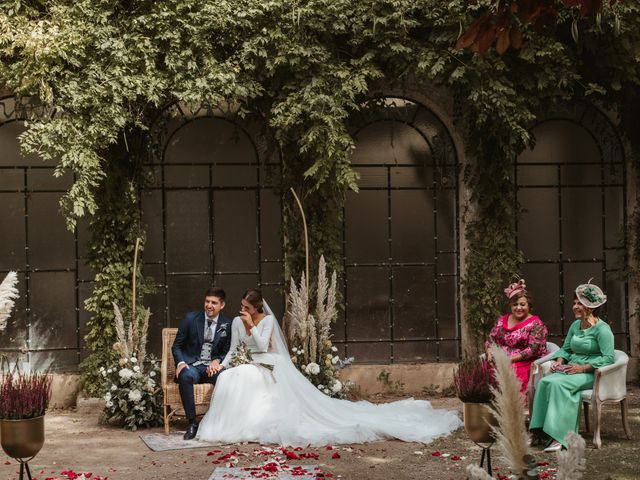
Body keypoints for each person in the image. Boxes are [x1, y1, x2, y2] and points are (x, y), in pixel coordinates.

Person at [197, 288, 462, 446]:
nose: (242, 310)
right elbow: (233, 349)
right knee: (231, 376)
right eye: (241, 307)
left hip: (267, 361)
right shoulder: (234, 322)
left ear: (256, 309)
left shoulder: (264, 322)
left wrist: (252, 326)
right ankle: (226, 426)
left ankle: (250, 424)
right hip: (247, 360)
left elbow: (263, 345)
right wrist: (221, 364)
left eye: (247, 308)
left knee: (245, 376)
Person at [529, 280, 614, 452]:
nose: (575, 307)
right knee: (545, 382)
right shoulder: (575, 325)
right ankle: (538, 432)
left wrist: (583, 368)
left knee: (557, 384)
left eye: (579, 303)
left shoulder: (603, 330)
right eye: (574, 303)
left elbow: (608, 358)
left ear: (590, 307)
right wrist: (558, 362)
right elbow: (566, 349)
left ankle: (560, 437)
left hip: (591, 373)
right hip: (571, 369)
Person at [172, 286, 233, 440]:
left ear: (222, 305)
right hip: (192, 365)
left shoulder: (228, 323)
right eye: (207, 301)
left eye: (214, 303)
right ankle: (192, 422)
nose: (209, 306)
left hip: (211, 368)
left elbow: (227, 350)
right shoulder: (191, 319)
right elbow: (176, 346)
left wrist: (217, 361)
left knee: (227, 377)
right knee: (185, 376)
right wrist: (180, 363)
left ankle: (220, 423)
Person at [485, 278, 548, 395]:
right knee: (483, 370)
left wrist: (509, 359)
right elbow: (490, 339)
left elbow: (533, 349)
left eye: (522, 304)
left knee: (514, 372)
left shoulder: (536, 324)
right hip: (501, 359)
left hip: (525, 362)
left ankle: (515, 408)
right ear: (510, 305)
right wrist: (489, 353)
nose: (518, 308)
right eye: (515, 304)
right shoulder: (502, 320)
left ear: (529, 305)